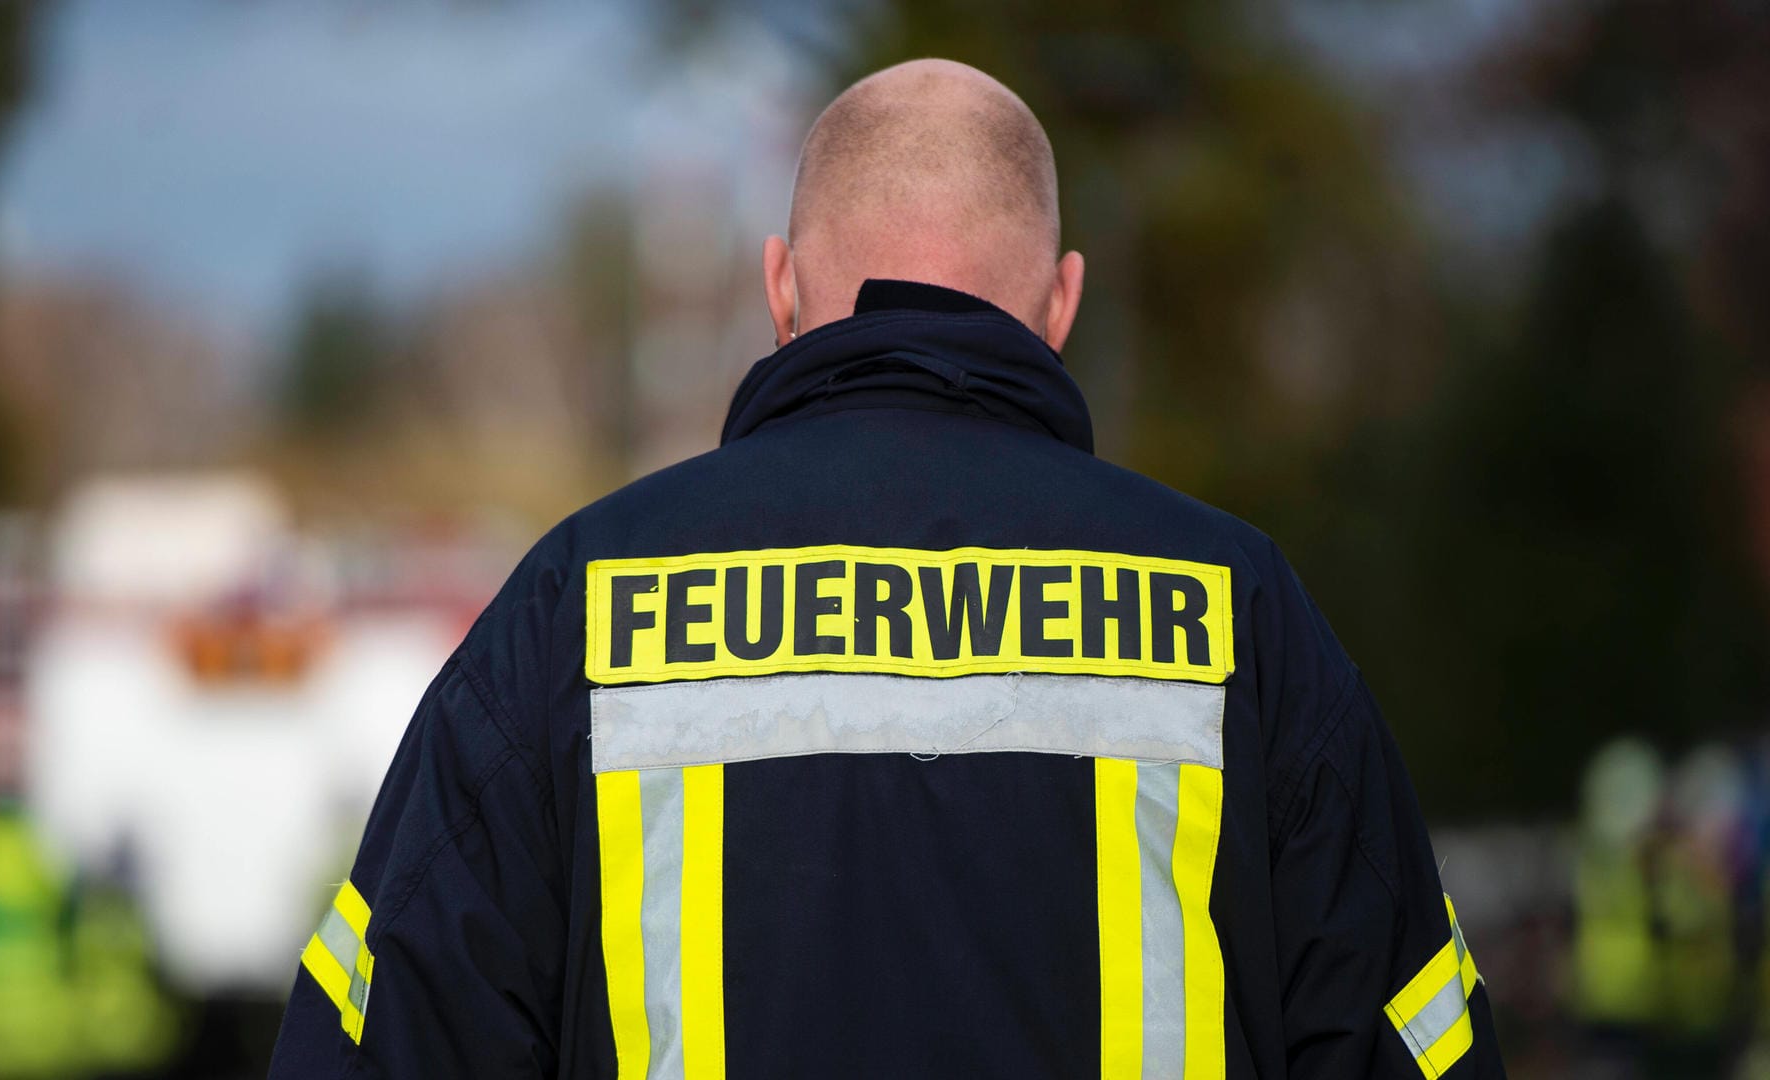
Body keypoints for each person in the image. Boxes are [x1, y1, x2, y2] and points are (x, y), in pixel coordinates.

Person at [267, 58, 1505, 1079]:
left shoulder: (576, 605)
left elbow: (381, 1044)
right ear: (1061, 304)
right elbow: (1417, 1046)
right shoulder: (1238, 611)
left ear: (781, 288)